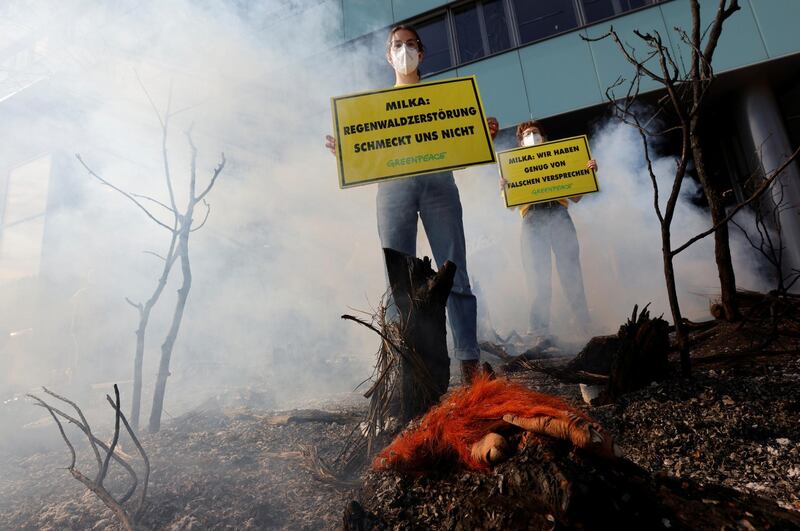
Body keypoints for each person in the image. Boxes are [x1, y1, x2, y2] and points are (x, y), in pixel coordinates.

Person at [325, 25, 499, 383]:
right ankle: (402, 364)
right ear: (388, 56)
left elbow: (461, 150)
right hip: (392, 189)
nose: (403, 51)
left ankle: (468, 361)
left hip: (439, 186)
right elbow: (366, 155)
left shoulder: (447, 99)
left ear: (421, 52)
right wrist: (347, 154)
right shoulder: (371, 110)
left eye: (410, 44)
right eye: (397, 46)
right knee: (397, 281)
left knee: (456, 273)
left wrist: (482, 136)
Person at [501, 120, 596, 347]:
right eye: (526, 134)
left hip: (559, 214)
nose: (531, 136)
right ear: (520, 142)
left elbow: (576, 197)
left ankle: (583, 324)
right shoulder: (512, 166)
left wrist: (588, 173)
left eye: (535, 132)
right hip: (532, 219)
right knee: (537, 275)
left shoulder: (560, 160)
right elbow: (511, 205)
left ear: (544, 137)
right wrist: (504, 187)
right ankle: (538, 330)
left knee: (570, 271)